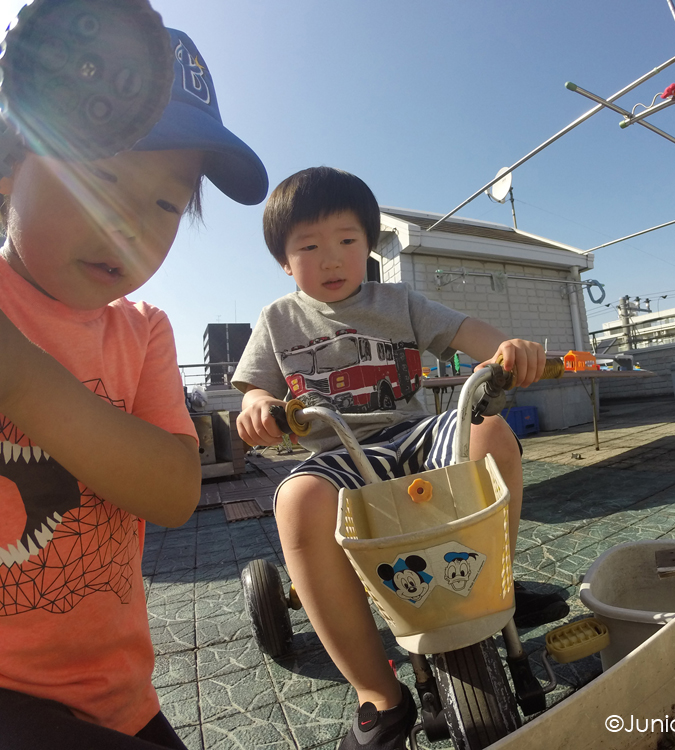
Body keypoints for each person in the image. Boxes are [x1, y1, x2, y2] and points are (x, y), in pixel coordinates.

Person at [233, 166, 569, 750]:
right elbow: (253, 388)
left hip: (412, 434)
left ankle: (497, 585)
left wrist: (507, 350)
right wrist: (258, 406)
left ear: (368, 245)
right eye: (309, 247)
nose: (331, 258)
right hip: (339, 452)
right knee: (298, 500)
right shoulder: (277, 320)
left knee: (489, 433)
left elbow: (466, 332)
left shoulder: (397, 301)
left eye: (347, 240)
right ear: (285, 261)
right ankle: (379, 695)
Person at [0, 28, 268, 750]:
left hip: (119, 693)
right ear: (11, 162)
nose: (126, 225)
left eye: (165, 205)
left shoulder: (144, 331)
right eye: (100, 176)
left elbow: (175, 491)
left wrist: (22, 381)